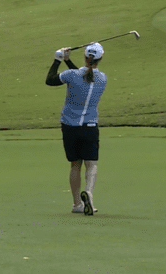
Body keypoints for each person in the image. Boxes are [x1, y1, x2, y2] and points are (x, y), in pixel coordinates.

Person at [45, 42, 108, 216]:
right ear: (99, 59)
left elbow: (50, 80)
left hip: (70, 127)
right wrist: (68, 61)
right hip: (89, 126)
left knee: (75, 165)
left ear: (85, 57)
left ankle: (77, 204)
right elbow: (85, 76)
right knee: (91, 165)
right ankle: (88, 192)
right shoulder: (102, 78)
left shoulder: (71, 75)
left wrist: (58, 60)